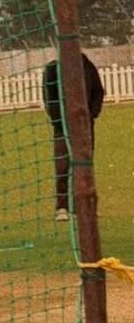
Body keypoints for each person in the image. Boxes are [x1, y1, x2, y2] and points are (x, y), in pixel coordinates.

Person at [43, 53, 106, 221]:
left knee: (84, 166)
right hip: (62, 126)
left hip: (85, 125)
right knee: (63, 166)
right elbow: (49, 97)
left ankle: (84, 207)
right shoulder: (52, 69)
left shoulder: (86, 65)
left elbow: (98, 91)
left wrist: (91, 115)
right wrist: (59, 120)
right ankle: (62, 207)